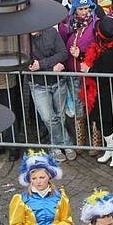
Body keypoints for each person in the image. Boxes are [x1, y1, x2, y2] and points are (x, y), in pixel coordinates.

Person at [27, 26, 77, 163]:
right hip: (38, 85)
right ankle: (66, 143)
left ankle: (56, 146)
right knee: (48, 117)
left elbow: (62, 54)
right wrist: (51, 66)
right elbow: (27, 64)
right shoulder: (22, 39)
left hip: (57, 82)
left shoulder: (51, 32)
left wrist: (42, 65)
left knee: (60, 116)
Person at [80, 17, 113, 168]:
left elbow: (106, 70)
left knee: (107, 121)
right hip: (100, 90)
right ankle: (109, 149)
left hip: (109, 91)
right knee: (100, 121)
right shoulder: (105, 45)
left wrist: (89, 71)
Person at [58, 0, 99, 154]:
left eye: (87, 8)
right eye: (81, 9)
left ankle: (96, 142)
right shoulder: (67, 24)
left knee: (93, 107)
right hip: (73, 73)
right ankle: (81, 140)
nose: (84, 12)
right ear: (74, 9)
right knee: (78, 107)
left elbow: (97, 49)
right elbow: (61, 44)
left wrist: (81, 54)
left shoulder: (96, 23)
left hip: (90, 74)